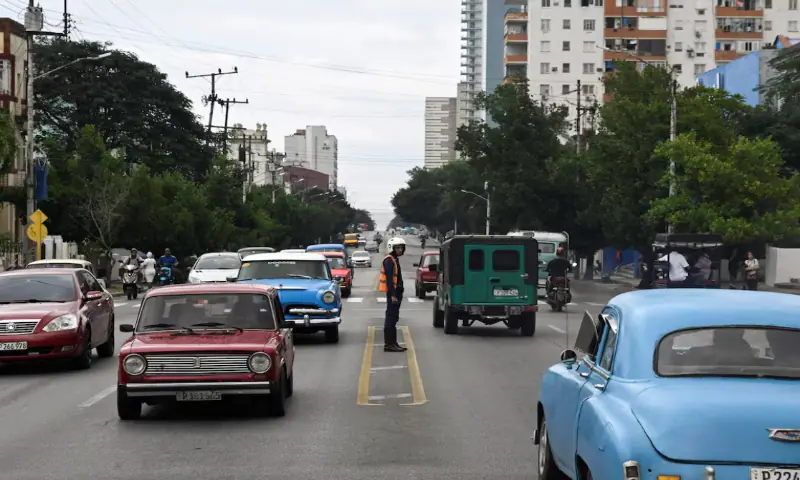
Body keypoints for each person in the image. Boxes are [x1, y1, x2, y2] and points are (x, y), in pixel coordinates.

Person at [379, 237, 407, 352]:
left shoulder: (394, 259)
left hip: (397, 293)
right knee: (391, 318)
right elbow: (390, 280)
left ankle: (393, 343)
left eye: (401, 247)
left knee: (394, 318)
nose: (400, 250)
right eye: (398, 248)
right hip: (393, 294)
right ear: (392, 248)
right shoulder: (389, 260)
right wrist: (393, 295)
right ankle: (389, 344)